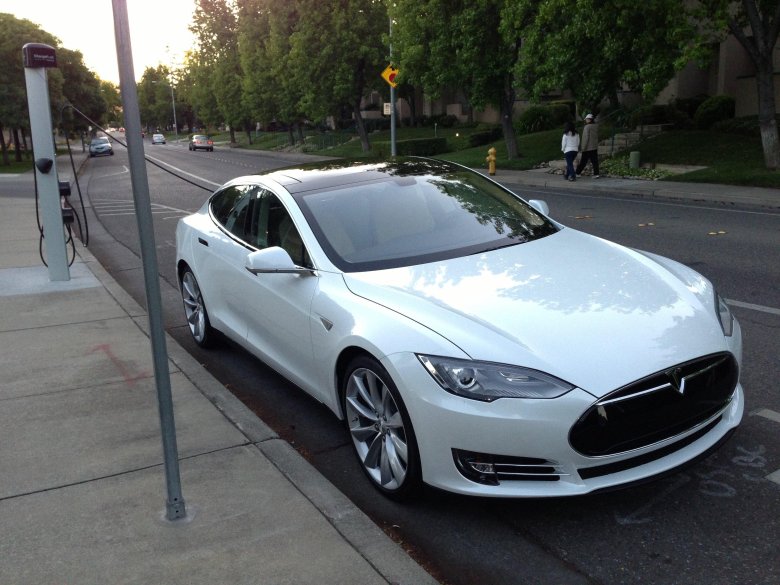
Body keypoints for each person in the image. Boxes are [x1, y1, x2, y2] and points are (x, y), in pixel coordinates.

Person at [576, 113, 600, 178]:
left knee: (583, 161)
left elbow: (585, 138)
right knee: (595, 161)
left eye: (586, 119)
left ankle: (577, 173)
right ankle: (596, 174)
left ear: (589, 119)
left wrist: (583, 147)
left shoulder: (587, 127)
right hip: (594, 147)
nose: (585, 120)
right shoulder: (596, 126)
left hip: (587, 148)